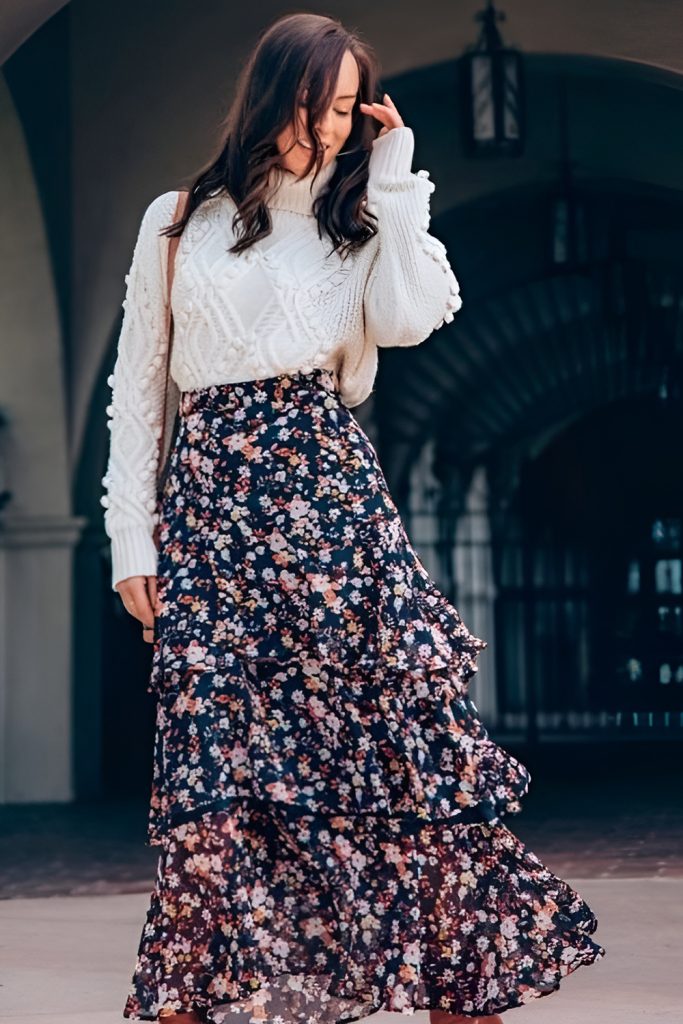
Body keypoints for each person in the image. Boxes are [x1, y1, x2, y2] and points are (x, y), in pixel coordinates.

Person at [100, 12, 606, 1024]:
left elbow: (413, 314)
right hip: (209, 526)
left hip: (332, 516)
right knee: (209, 792)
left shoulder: (355, 228)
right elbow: (137, 393)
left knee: (405, 760)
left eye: (343, 110)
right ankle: (193, 1003)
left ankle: (460, 999)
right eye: (315, 102)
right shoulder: (173, 221)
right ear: (271, 93)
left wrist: (397, 176)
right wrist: (129, 536)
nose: (328, 126)